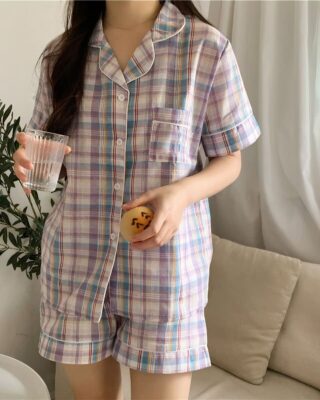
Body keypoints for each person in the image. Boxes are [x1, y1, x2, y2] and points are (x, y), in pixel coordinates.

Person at [12, 0, 261, 399]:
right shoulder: (62, 55)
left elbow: (230, 158)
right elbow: (48, 152)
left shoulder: (205, 49)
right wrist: (27, 162)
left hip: (165, 272)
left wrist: (180, 193)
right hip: (77, 262)